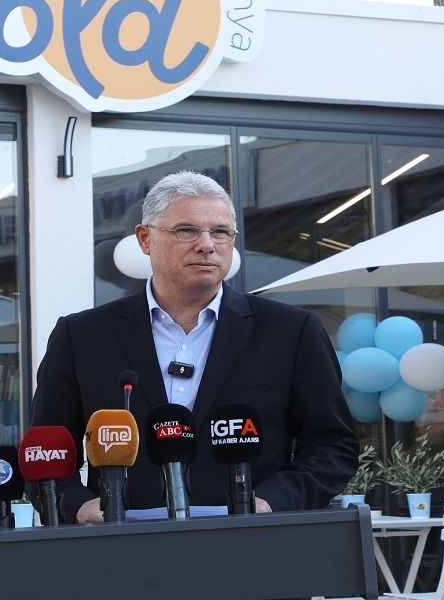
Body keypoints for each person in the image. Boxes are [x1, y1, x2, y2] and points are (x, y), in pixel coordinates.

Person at [30, 171, 358, 523]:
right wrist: (78, 506)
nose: (206, 244)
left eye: (220, 232)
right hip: (123, 545)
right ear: (144, 239)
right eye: (186, 230)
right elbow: (43, 453)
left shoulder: (290, 331)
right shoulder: (82, 336)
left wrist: (270, 502)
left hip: (252, 541)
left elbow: (332, 446)